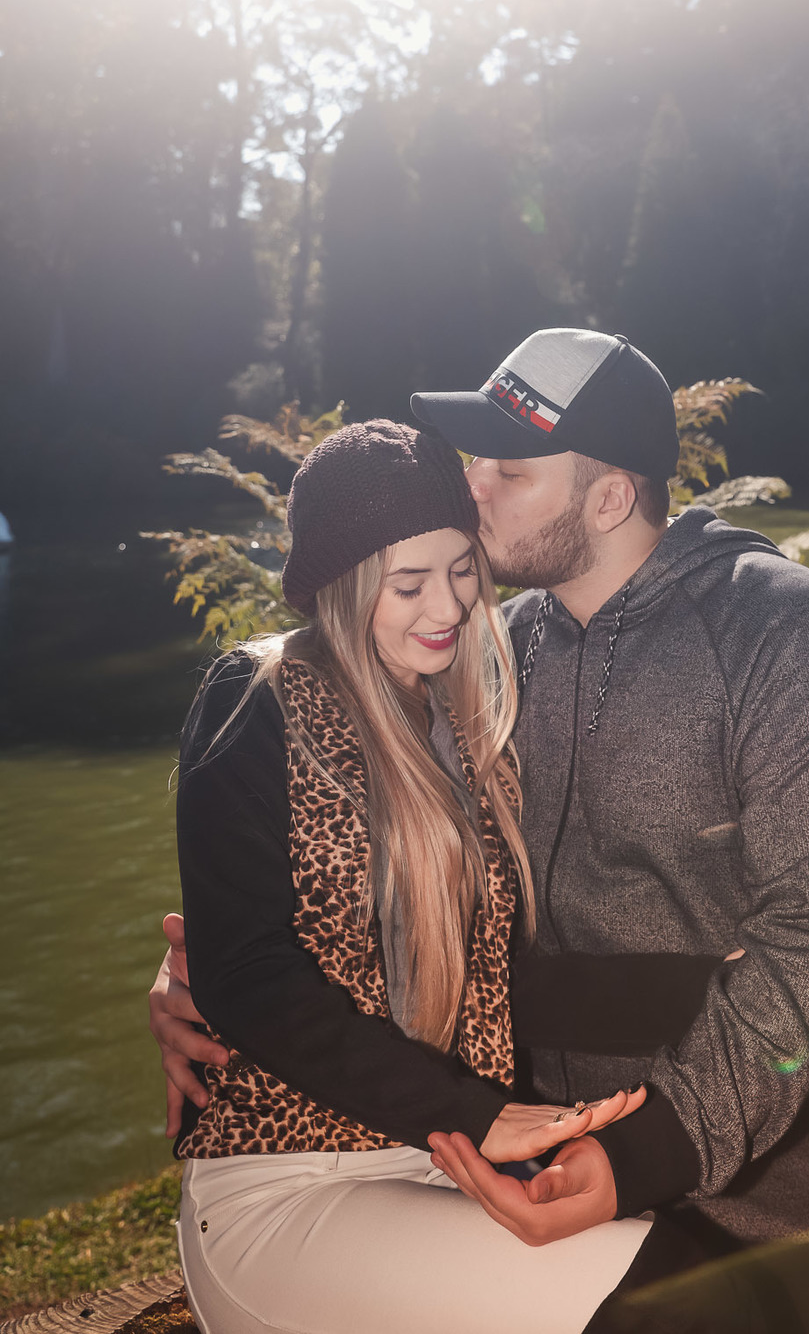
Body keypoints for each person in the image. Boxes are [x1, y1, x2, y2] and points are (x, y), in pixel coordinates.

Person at [153, 329, 809, 1290]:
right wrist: (202, 975)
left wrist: (649, 1147)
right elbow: (330, 810)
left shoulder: (795, 643)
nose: (467, 486)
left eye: (507, 471)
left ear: (607, 496)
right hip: (532, 1179)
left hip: (799, 1209)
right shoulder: (485, 658)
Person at [168, 416, 652, 1334]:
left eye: (463, 569)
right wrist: (472, 1112)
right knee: (647, 1303)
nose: (450, 607)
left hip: (443, 1163)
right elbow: (245, 974)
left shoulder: (472, 721)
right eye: (409, 582)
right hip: (288, 1180)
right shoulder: (256, 697)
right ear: (343, 586)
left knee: (687, 1272)